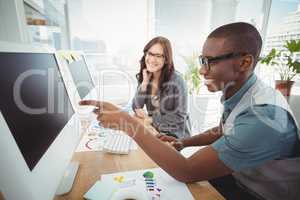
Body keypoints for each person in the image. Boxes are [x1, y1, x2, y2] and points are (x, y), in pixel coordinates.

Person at [80, 22, 300, 200]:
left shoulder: (263, 118)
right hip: (237, 177)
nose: (202, 71)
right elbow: (224, 129)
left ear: (244, 63)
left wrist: (130, 124)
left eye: (209, 62)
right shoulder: (242, 94)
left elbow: (187, 171)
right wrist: (186, 143)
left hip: (254, 193)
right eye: (201, 61)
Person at [132, 36, 191, 139]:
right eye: (150, 54)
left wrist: (151, 119)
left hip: (175, 136)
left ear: (166, 59)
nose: (152, 59)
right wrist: (144, 83)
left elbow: (179, 117)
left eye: (158, 56)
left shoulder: (177, 81)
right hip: (155, 131)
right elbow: (136, 107)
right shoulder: (146, 76)